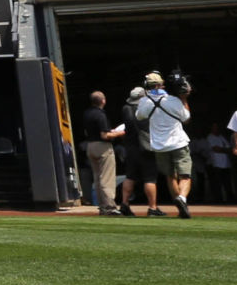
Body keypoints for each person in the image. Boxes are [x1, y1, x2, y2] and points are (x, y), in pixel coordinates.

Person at [133, 73, 194, 217]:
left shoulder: (144, 102)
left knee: (170, 176)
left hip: (160, 145)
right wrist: (184, 98)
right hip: (178, 142)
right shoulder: (173, 100)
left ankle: (180, 208)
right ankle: (182, 198)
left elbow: (139, 116)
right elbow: (186, 119)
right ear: (161, 84)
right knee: (185, 175)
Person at [76, 90, 121, 215]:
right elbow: (105, 135)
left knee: (97, 177)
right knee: (107, 178)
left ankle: (101, 205)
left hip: (90, 146)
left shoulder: (87, 113)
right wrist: (120, 133)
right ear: (103, 100)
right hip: (102, 146)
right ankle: (110, 206)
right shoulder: (101, 114)